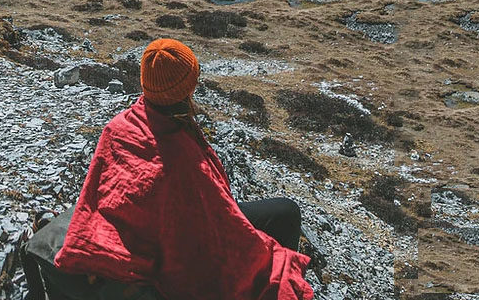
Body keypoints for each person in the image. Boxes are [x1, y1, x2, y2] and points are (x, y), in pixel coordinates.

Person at [54, 38, 314, 300]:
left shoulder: (118, 126)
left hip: (146, 225)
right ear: (185, 89)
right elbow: (209, 226)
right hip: (176, 235)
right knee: (286, 213)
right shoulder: (181, 158)